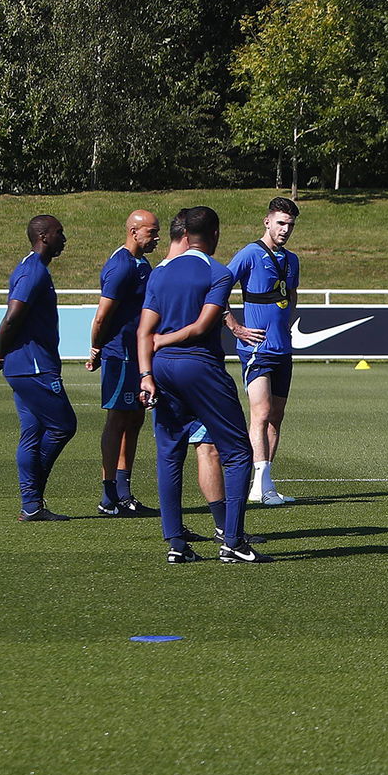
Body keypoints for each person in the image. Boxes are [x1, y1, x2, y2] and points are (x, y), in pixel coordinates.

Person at [137, 206, 265, 563]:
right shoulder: (218, 272)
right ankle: (233, 542)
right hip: (199, 366)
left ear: (185, 235)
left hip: (161, 370)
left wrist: (146, 373)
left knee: (169, 453)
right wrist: (166, 341)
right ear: (215, 235)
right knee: (238, 452)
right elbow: (202, 325)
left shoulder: (160, 273)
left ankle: (176, 544)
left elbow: (143, 331)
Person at [0, 215, 77, 522]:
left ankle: (32, 507)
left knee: (33, 432)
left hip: (25, 366)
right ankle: (33, 493)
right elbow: (12, 317)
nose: (64, 238)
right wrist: (1, 352)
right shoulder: (33, 272)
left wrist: (1, 353)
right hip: (35, 368)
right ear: (44, 236)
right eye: (59, 233)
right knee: (64, 426)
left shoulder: (31, 267)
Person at [224, 197, 301, 506]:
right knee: (261, 412)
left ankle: (265, 483)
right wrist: (235, 327)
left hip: (283, 348)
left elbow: (290, 295)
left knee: (276, 417)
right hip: (256, 349)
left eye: (290, 225)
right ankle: (257, 483)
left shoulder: (292, 259)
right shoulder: (250, 254)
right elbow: (217, 288)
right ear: (267, 222)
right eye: (281, 223)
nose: (285, 229)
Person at [86, 210, 161, 517]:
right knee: (118, 420)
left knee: (135, 420)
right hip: (121, 354)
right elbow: (102, 315)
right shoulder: (120, 266)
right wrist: (96, 347)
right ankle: (108, 496)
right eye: (151, 233)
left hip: (137, 354)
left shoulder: (142, 263)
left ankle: (124, 492)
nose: (156, 238)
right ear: (133, 231)